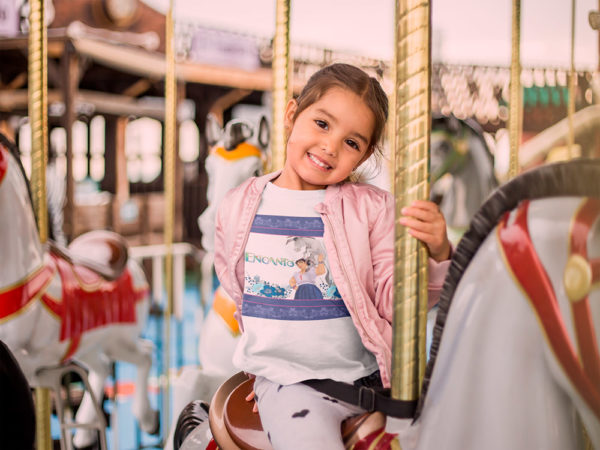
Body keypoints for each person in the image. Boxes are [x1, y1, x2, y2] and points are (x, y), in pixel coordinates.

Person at [214, 63, 451, 449]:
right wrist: (267, 369)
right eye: (322, 124)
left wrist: (437, 252)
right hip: (293, 387)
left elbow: (397, 301)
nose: (330, 147)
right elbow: (238, 285)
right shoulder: (238, 206)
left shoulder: (372, 209)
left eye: (352, 143)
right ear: (292, 115)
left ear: (363, 155)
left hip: (370, 381)